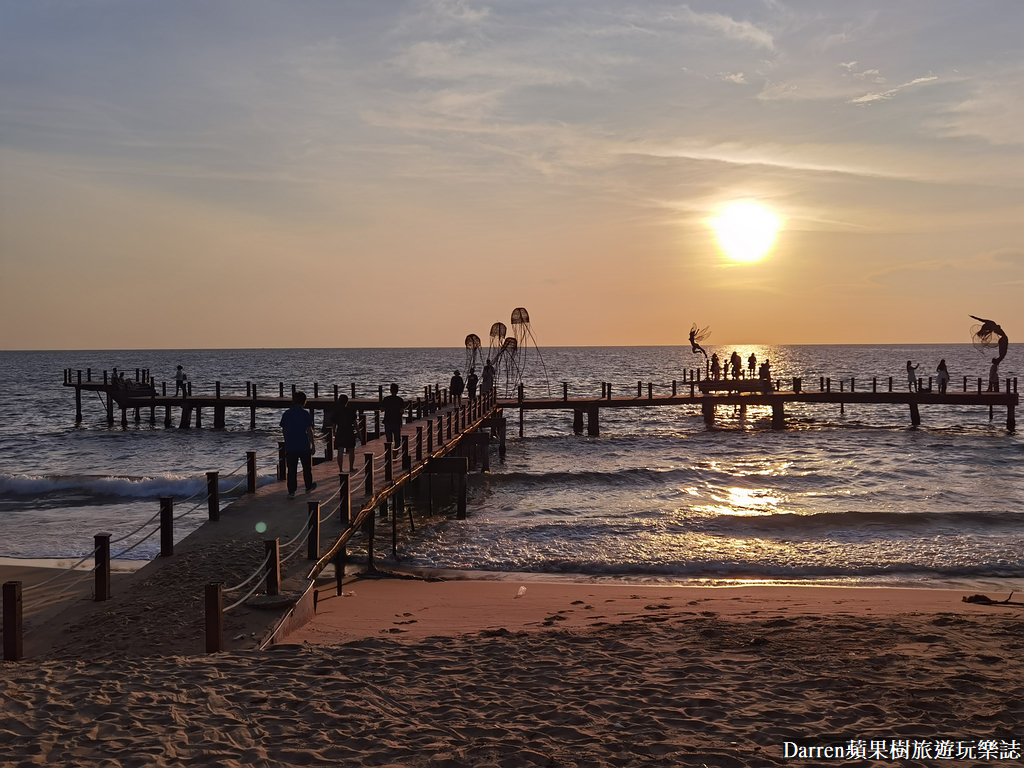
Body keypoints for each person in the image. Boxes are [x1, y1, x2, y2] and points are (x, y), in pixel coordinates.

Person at [280, 391, 316, 498]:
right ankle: (308, 486)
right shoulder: (305, 414)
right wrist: (313, 444)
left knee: (291, 470)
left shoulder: (286, 413)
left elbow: (284, 430)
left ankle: (291, 491)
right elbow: (309, 430)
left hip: (291, 446)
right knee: (307, 468)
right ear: (304, 402)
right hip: (303, 445)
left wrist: (287, 441)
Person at [328, 394, 358, 472]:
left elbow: (334, 424)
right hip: (349, 431)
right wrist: (359, 433)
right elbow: (355, 423)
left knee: (340, 450)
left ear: (339, 401)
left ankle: (340, 469)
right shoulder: (350, 411)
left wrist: (333, 432)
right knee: (351, 450)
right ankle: (351, 467)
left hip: (340, 431)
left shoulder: (336, 412)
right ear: (347, 401)